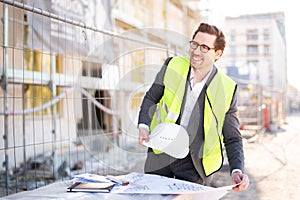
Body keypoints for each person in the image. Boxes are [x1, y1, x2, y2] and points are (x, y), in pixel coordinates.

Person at [137, 22, 249, 191]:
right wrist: (144, 126)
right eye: (194, 44)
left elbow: (232, 136)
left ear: (217, 54)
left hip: (195, 163)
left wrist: (237, 169)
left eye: (204, 47)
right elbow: (151, 97)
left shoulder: (227, 88)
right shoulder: (172, 65)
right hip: (160, 151)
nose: (196, 51)